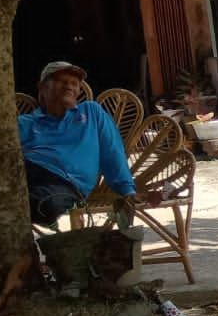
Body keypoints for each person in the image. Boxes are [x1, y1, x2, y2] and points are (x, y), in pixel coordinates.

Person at [18, 61, 139, 227]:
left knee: (44, 206)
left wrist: (127, 190)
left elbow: (112, 152)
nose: (69, 86)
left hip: (66, 184)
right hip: (25, 172)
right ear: (42, 87)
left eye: (74, 83)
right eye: (62, 81)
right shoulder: (26, 123)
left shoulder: (91, 112)